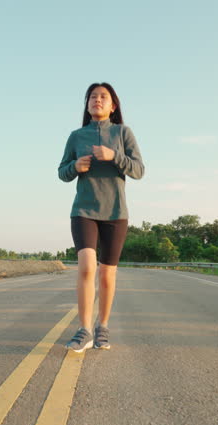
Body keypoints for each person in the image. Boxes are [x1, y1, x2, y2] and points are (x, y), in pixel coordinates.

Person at [57, 82, 145, 352]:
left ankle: (102, 326)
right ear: (87, 104)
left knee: (107, 275)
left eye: (103, 97)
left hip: (115, 213)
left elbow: (139, 170)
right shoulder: (76, 136)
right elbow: (62, 172)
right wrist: (75, 166)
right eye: (92, 97)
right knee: (86, 266)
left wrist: (114, 156)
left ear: (113, 105)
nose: (97, 100)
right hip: (83, 211)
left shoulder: (123, 132)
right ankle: (84, 329)